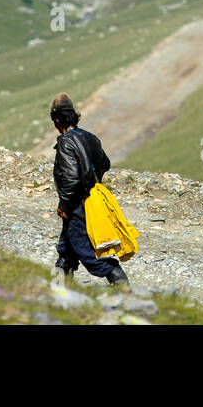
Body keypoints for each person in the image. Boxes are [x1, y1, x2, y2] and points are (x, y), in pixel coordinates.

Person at [50, 93, 129, 287]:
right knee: (66, 249)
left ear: (57, 119)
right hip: (92, 198)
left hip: (78, 203)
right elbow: (105, 163)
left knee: (87, 251)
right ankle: (58, 287)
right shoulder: (90, 137)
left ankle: (120, 283)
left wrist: (64, 205)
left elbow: (71, 178)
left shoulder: (66, 142)